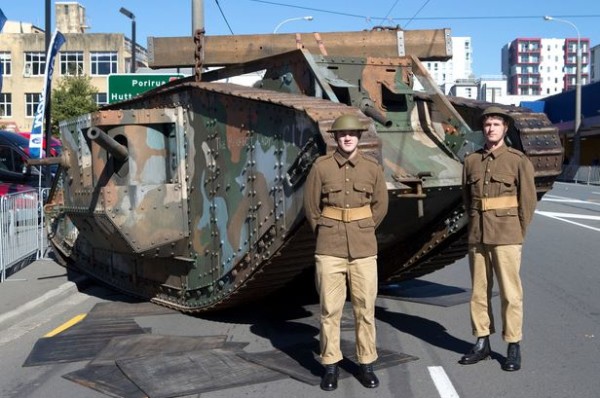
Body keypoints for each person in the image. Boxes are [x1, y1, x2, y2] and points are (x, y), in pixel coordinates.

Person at [303, 113, 389, 391]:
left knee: (365, 309)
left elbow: (380, 205)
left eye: (352, 134)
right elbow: (311, 208)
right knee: (330, 310)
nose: (348, 137)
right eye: (342, 134)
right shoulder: (321, 167)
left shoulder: (372, 168)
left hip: (363, 249)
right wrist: (327, 231)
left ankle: (366, 363)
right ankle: (330, 365)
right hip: (330, 248)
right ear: (336, 138)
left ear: (359, 137)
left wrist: (363, 227)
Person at [459, 106, 537, 372]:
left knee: (510, 294)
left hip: (506, 235)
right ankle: (482, 341)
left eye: (496, 124)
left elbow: (528, 201)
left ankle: (513, 344)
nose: (490, 128)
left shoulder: (517, 161)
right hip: (478, 235)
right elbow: (467, 200)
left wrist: (518, 232)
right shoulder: (471, 162)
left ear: (505, 128)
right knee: (479, 292)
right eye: (487, 124)